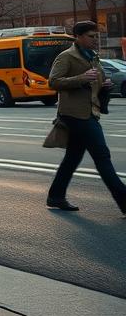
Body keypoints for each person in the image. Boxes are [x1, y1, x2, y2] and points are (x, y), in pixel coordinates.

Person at [46, 20, 126, 216]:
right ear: (78, 37)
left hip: (89, 112)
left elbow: (93, 82)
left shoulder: (93, 57)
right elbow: (53, 82)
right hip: (75, 115)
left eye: (95, 36)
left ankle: (55, 196)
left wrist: (104, 85)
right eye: (91, 36)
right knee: (102, 157)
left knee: (72, 158)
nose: (94, 39)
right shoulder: (67, 57)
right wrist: (81, 78)